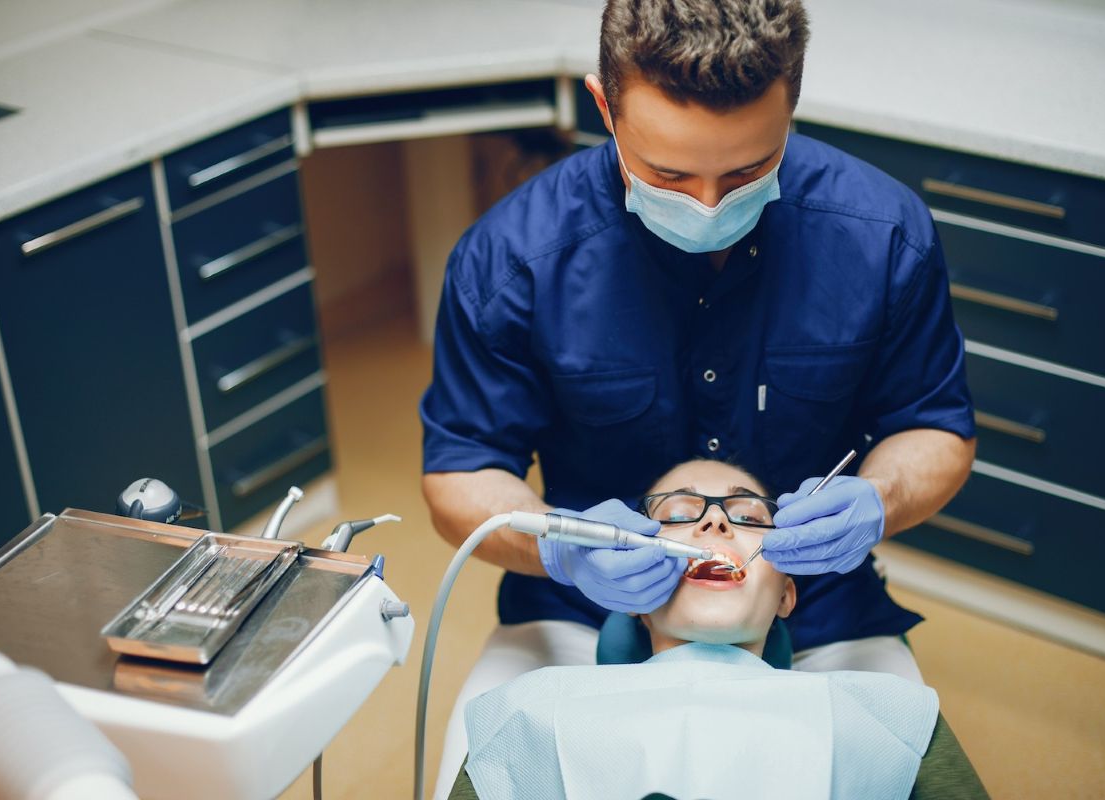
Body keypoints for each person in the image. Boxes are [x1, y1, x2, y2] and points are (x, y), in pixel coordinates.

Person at [420, 1, 975, 794]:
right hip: (578, 611)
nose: (710, 206)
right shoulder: (512, 260)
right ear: (604, 107)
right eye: (670, 175)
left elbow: (937, 428)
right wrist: (560, 546)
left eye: (748, 171)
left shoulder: (882, 235)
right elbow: (459, 474)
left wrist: (879, 500)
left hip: (814, 612)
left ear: (789, 105)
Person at [448, 460, 988, 799]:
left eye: (750, 517)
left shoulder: (891, 721)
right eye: (679, 513)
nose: (715, 523)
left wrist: (888, 494)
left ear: (785, 594)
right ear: (630, 591)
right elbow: (459, 463)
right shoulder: (528, 718)